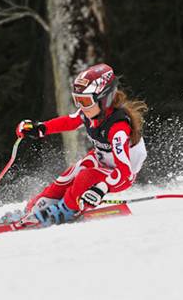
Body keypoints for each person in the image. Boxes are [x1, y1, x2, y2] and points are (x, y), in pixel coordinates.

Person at [14, 63, 147, 227]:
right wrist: (40, 128)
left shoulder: (118, 129)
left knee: (85, 178)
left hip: (119, 175)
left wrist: (101, 188)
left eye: (85, 101)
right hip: (101, 160)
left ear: (104, 98)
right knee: (68, 176)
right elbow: (69, 122)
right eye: (77, 100)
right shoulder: (90, 112)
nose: (81, 106)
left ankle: (66, 210)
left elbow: (124, 171)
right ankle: (36, 207)